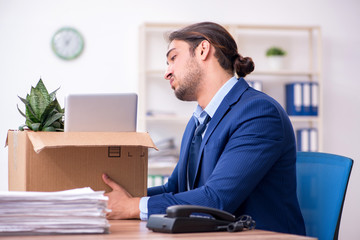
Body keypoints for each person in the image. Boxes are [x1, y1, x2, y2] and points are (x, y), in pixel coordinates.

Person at [102, 22, 306, 235]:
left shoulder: (259, 113)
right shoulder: (198, 120)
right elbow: (176, 188)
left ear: (203, 50)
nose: (167, 73)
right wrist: (119, 198)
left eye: (173, 58)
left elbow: (215, 200)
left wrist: (133, 206)